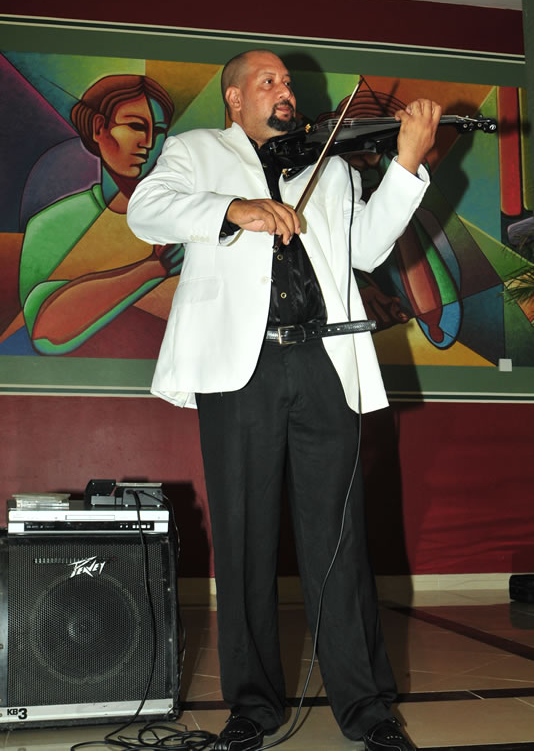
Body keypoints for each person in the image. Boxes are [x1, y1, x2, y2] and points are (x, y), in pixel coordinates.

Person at [127, 50, 441, 751]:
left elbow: (364, 250)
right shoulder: (197, 150)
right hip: (242, 367)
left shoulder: (325, 166)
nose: (285, 90)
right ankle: (253, 707)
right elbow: (147, 211)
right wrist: (236, 208)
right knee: (243, 536)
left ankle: (366, 710)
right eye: (267, 81)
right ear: (234, 99)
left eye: (289, 82)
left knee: (340, 537)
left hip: (324, 357)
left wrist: (407, 165)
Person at [18, 75, 183, 356]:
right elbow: (45, 331)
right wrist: (154, 268)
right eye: (134, 126)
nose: (147, 142)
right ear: (98, 128)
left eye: (159, 131)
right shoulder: (53, 223)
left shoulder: (185, 213)